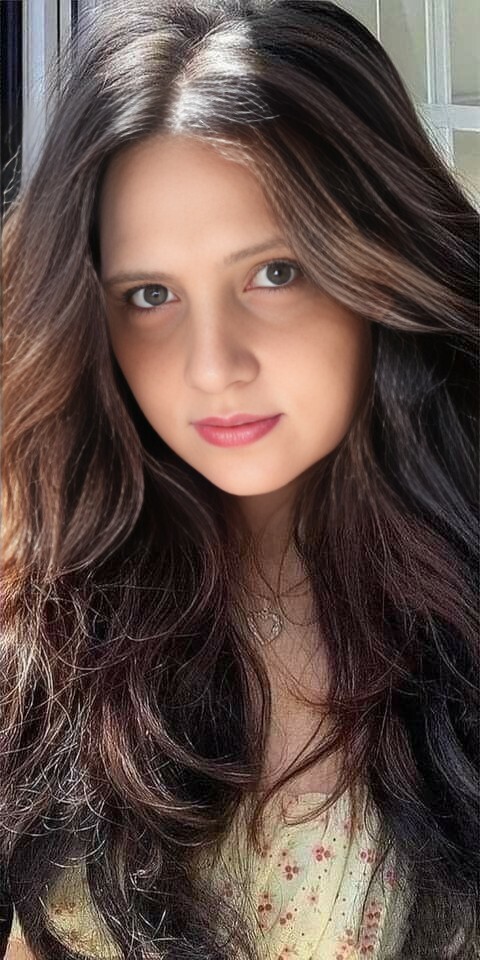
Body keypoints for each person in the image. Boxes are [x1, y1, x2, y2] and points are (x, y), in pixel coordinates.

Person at [1, 1, 478, 958]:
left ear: (379, 262)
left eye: (275, 273)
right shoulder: (42, 627)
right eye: (150, 295)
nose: (214, 365)